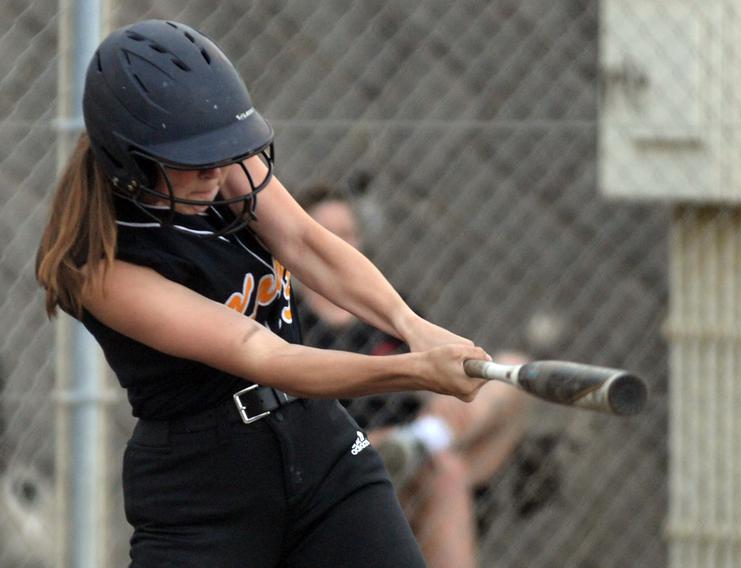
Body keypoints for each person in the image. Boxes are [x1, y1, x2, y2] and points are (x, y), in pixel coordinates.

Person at [34, 19, 491, 568]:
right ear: (131, 159)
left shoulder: (217, 164)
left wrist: (413, 327)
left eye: (225, 152)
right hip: (205, 491)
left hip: (321, 450)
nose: (219, 171)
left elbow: (306, 242)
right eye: (196, 162)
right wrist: (416, 370)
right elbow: (261, 352)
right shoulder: (101, 265)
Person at [296, 185, 530, 568]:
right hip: (342, 456)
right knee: (445, 472)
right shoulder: (291, 315)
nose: (345, 247)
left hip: (415, 445)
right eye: (332, 237)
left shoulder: (387, 309)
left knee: (509, 372)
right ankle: (417, 445)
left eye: (351, 235)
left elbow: (436, 367)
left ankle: (424, 438)